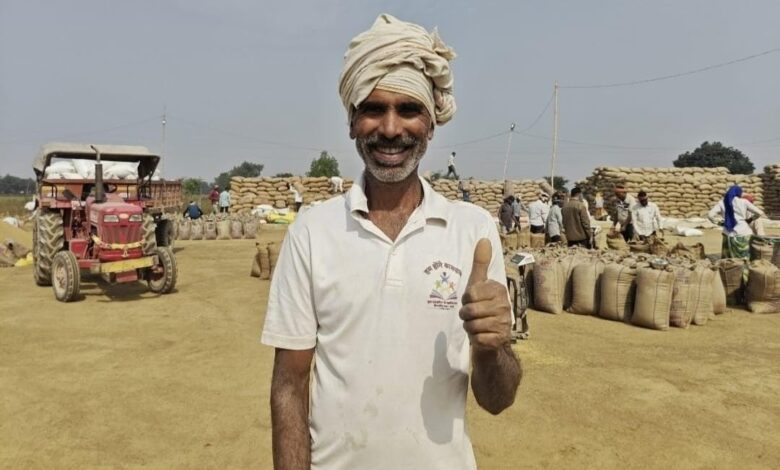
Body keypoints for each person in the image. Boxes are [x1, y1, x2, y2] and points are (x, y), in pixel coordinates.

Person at [261, 14, 520, 469]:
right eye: (374, 109)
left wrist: (493, 347)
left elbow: (496, 400)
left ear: (432, 123)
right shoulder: (313, 232)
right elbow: (289, 385)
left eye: (409, 109)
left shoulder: (473, 231)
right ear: (351, 122)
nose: (391, 128)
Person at [707, 185, 766, 259]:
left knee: (729, 258)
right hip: (744, 233)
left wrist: (721, 223)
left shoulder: (721, 203)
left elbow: (710, 215)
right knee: (744, 257)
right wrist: (750, 219)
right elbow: (760, 213)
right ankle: (744, 269)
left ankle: (730, 269)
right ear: (739, 193)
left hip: (728, 234)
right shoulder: (743, 202)